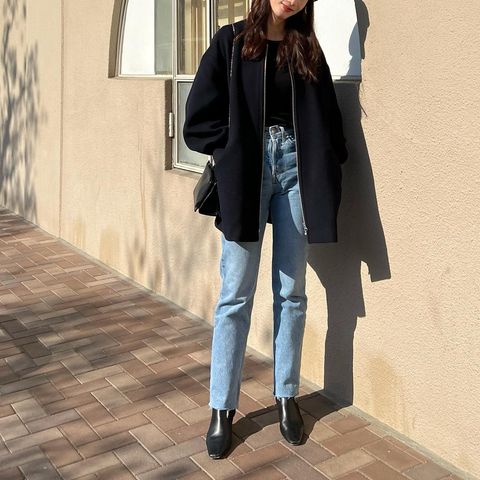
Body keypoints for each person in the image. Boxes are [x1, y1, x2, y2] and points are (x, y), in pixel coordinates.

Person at [183, 0, 348, 459]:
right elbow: (198, 115)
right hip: (247, 174)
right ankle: (222, 407)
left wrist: (329, 160)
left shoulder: (307, 47)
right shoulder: (231, 42)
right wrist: (230, 151)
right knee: (235, 294)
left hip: (296, 171)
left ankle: (286, 395)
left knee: (292, 293)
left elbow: (328, 117)